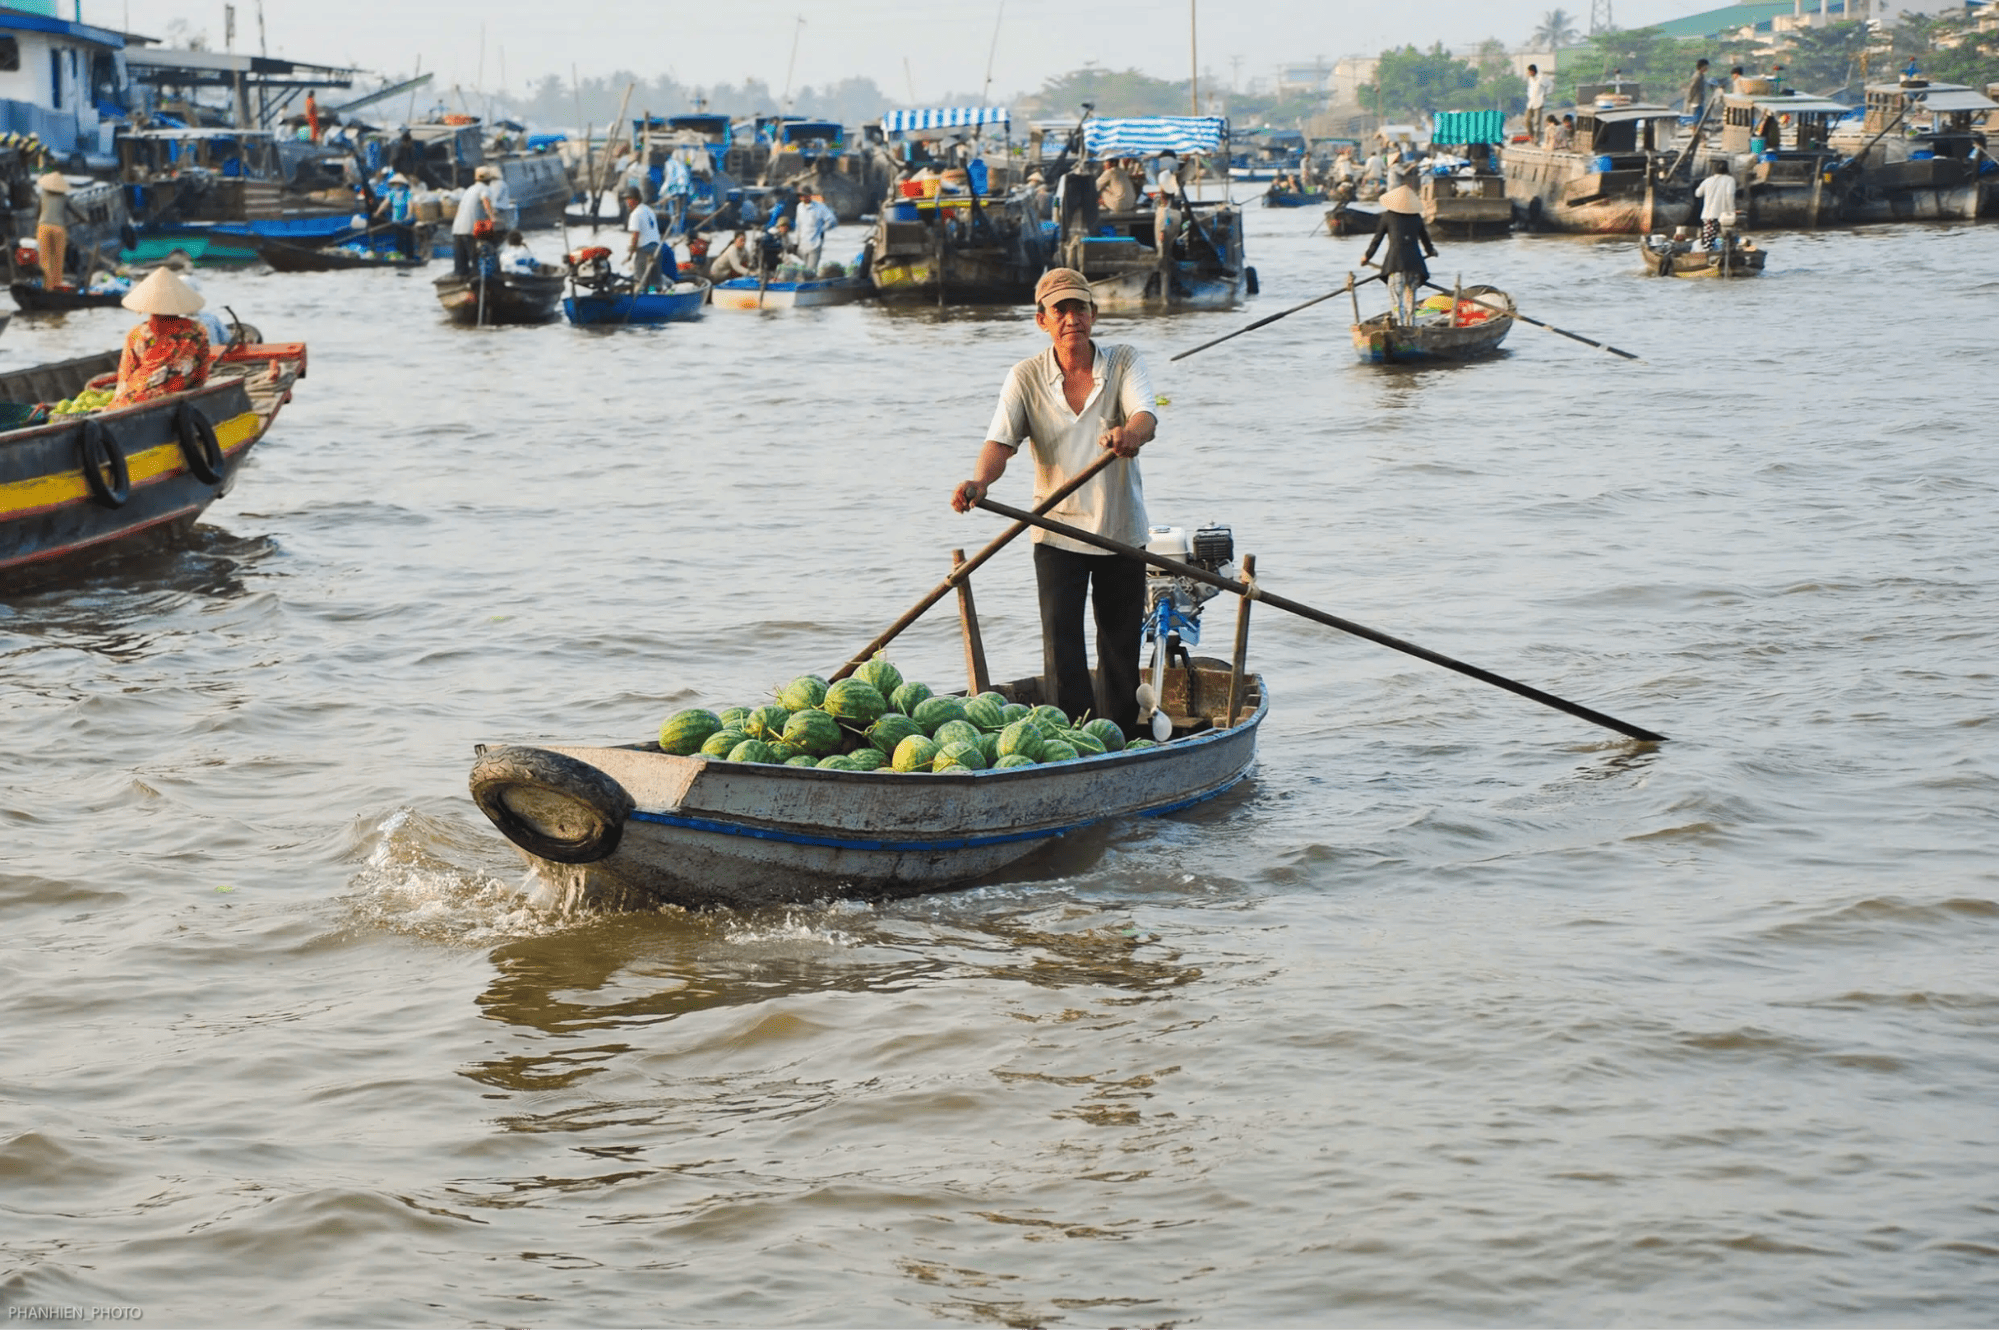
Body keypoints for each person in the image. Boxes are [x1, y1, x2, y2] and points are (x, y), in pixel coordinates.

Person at [950, 267, 1157, 736]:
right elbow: (1000, 444)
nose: (1071, 319)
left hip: (1121, 529)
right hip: (1058, 528)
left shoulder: (1122, 361)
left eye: (1079, 308)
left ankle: (1117, 737)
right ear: (1041, 320)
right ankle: (1073, 738)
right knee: (1062, 646)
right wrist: (980, 483)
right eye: (1059, 310)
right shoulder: (1025, 377)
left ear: (1094, 315)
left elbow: (1146, 415)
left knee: (1120, 645)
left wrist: (1130, 435)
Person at [110, 268, 210, 410]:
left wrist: (111, 407)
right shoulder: (197, 331)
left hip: (134, 399)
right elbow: (201, 377)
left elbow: (124, 379)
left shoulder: (138, 334)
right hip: (175, 395)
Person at [1360, 180, 1437, 324]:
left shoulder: (1387, 217)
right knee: (1410, 301)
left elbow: (1376, 240)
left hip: (1395, 264)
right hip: (1415, 265)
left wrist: (1366, 257)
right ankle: (1410, 327)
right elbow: (1426, 241)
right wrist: (1432, 251)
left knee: (1397, 302)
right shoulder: (1416, 218)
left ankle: (1400, 328)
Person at [34, 171, 77, 289]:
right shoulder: (64, 197)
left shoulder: (42, 195)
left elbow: (36, 213)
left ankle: (47, 287)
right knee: (57, 258)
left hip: (44, 227)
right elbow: (76, 211)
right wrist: (84, 219)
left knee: (45, 258)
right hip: (59, 228)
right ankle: (57, 286)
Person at [450, 168, 494, 277]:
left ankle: (461, 280)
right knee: (476, 260)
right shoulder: (485, 188)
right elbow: (486, 201)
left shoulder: (470, 189)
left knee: (460, 265)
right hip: (471, 229)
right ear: (489, 180)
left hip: (457, 229)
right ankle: (476, 283)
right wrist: (493, 217)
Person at [792, 185, 838, 275]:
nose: (802, 197)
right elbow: (798, 226)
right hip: (802, 245)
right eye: (800, 196)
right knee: (804, 271)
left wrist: (822, 229)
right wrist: (795, 243)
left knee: (811, 271)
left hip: (815, 244)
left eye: (804, 195)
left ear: (810, 195)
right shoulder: (799, 207)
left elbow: (832, 220)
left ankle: (811, 286)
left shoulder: (819, 207)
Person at [372, 172, 418, 259]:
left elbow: (410, 205)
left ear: (402, 184)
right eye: (395, 183)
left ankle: (410, 258)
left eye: (398, 183)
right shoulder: (392, 193)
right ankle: (400, 257)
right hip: (396, 221)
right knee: (399, 240)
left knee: (408, 240)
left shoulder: (407, 193)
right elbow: (385, 203)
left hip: (407, 221)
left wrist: (409, 214)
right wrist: (377, 212)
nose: (397, 185)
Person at [624, 187, 661, 290]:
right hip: (656, 249)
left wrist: (631, 253)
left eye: (629, 199)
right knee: (654, 283)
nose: (627, 202)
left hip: (644, 250)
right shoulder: (648, 210)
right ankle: (654, 298)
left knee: (639, 280)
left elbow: (635, 235)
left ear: (635, 199)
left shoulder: (635, 214)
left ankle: (639, 301)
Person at [1694, 159, 1737, 250]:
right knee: (1725, 238)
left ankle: (1709, 258)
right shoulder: (1730, 180)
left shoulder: (1707, 180)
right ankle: (1724, 257)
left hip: (1708, 216)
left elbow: (1697, 193)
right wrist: (1732, 211)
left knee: (1709, 241)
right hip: (1724, 217)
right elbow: (1729, 195)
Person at [1152, 150, 1184, 262]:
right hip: (1176, 214)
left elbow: (1164, 200)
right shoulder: (1177, 176)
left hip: (1165, 215)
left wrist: (1162, 230)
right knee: (1169, 251)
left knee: (1162, 252)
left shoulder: (1163, 176)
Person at [660, 151, 693, 234]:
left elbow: (669, 178)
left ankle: (675, 230)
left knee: (673, 212)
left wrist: (664, 191)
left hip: (673, 191)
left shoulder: (669, 164)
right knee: (681, 211)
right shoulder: (685, 165)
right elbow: (687, 179)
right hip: (683, 191)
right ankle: (679, 230)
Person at [1524, 62, 1548, 141]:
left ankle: (1536, 139)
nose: (1528, 73)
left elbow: (1549, 86)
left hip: (1538, 103)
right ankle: (1531, 135)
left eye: (1529, 72)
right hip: (1531, 103)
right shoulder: (1530, 79)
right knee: (1527, 120)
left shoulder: (1541, 78)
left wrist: (1543, 96)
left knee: (1537, 122)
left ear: (1533, 71)